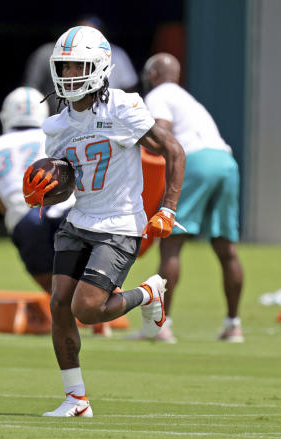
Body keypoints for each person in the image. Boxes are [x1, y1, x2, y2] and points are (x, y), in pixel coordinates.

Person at [22, 26, 185, 417]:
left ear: (99, 66)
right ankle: (76, 399)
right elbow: (70, 184)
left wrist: (167, 208)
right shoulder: (57, 126)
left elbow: (173, 151)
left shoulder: (123, 108)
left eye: (78, 65)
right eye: (63, 67)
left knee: (88, 309)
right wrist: (48, 189)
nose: (69, 75)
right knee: (60, 303)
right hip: (80, 219)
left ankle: (148, 294)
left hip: (119, 224)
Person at [136, 52, 244, 343]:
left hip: (194, 162)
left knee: (170, 245)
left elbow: (162, 135)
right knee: (226, 249)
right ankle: (233, 324)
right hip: (226, 161)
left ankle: (162, 326)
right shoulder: (188, 99)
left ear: (154, 75)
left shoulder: (157, 96)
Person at [0, 86, 74, 294]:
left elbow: (0, 200)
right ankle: (98, 316)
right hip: (64, 209)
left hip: (25, 217)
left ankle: (68, 312)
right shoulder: (56, 136)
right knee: (87, 272)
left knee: (52, 287)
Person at [24, 15, 139, 115]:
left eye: (80, 66)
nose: (72, 75)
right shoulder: (54, 126)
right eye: (66, 67)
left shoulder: (122, 105)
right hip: (61, 115)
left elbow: (130, 86)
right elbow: (31, 87)